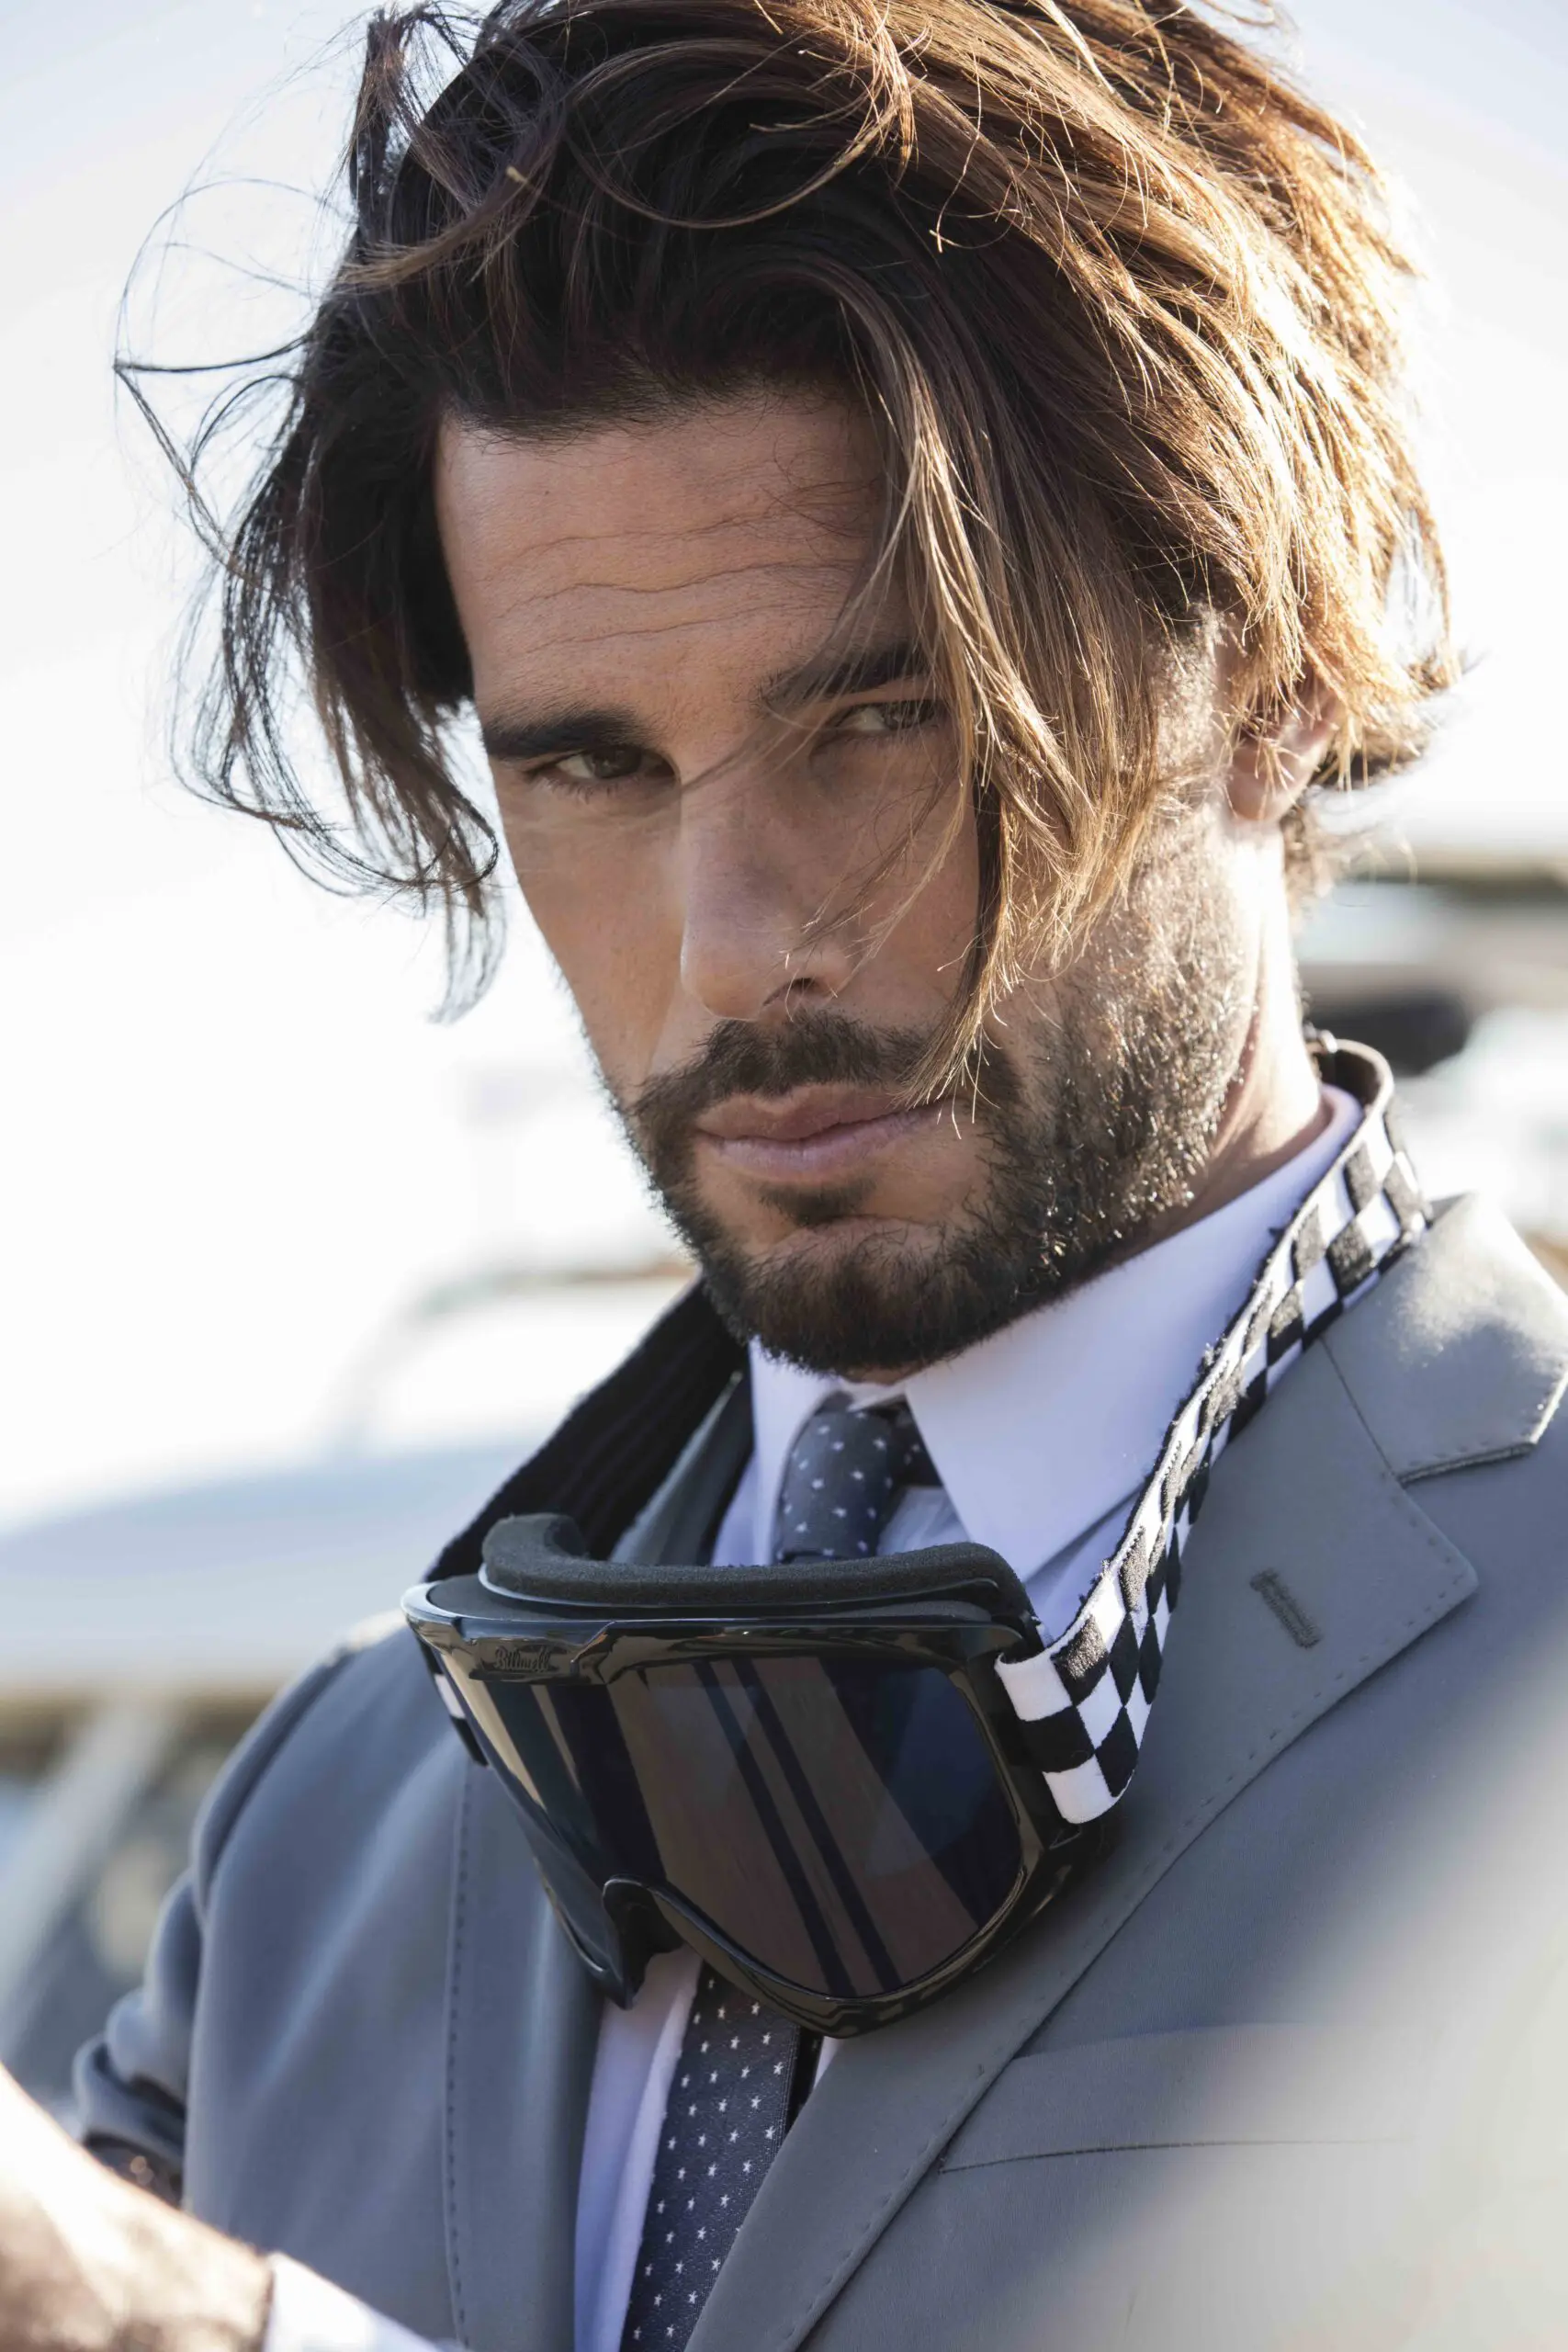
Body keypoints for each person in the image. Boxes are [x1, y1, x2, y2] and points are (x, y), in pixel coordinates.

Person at [10, 0, 1568, 2346]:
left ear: (1262, 666)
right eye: (591, 767)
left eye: (881, 716)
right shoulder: (321, 1821)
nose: (737, 943)